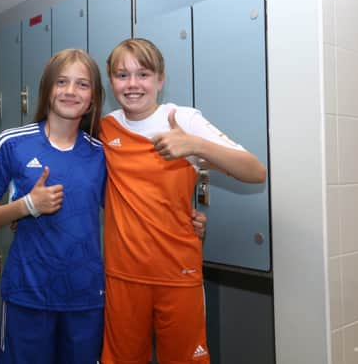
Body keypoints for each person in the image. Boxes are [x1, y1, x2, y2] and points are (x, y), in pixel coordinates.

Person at [0, 48, 207, 364]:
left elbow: (130, 206)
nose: (71, 92)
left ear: (94, 96)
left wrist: (182, 219)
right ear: (47, 89)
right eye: (62, 82)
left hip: (87, 299)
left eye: (82, 85)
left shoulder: (102, 152)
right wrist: (25, 206)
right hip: (28, 295)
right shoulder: (12, 143)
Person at [99, 38, 266, 364]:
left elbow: (255, 171)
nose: (133, 84)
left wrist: (195, 147)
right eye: (122, 75)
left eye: (143, 74)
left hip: (177, 273)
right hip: (123, 276)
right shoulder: (105, 127)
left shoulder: (182, 119)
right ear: (111, 81)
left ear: (161, 80)